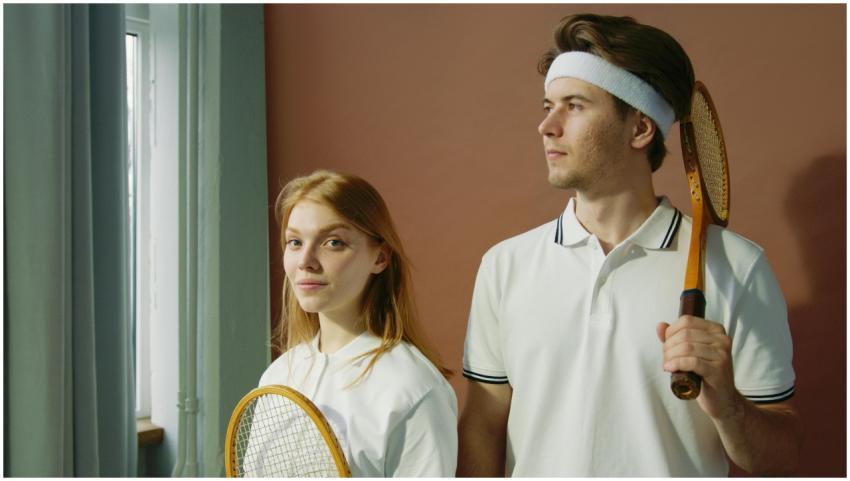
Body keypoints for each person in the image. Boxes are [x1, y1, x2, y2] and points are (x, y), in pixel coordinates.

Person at [457, 14, 801, 477]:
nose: (547, 127)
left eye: (574, 106)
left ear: (640, 129)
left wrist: (728, 404)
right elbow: (481, 427)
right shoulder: (505, 266)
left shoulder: (738, 266)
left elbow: (783, 460)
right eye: (547, 106)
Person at [257, 170, 458, 476]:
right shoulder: (278, 376)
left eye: (333, 242)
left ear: (380, 258)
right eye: (295, 242)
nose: (305, 261)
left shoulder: (413, 388)